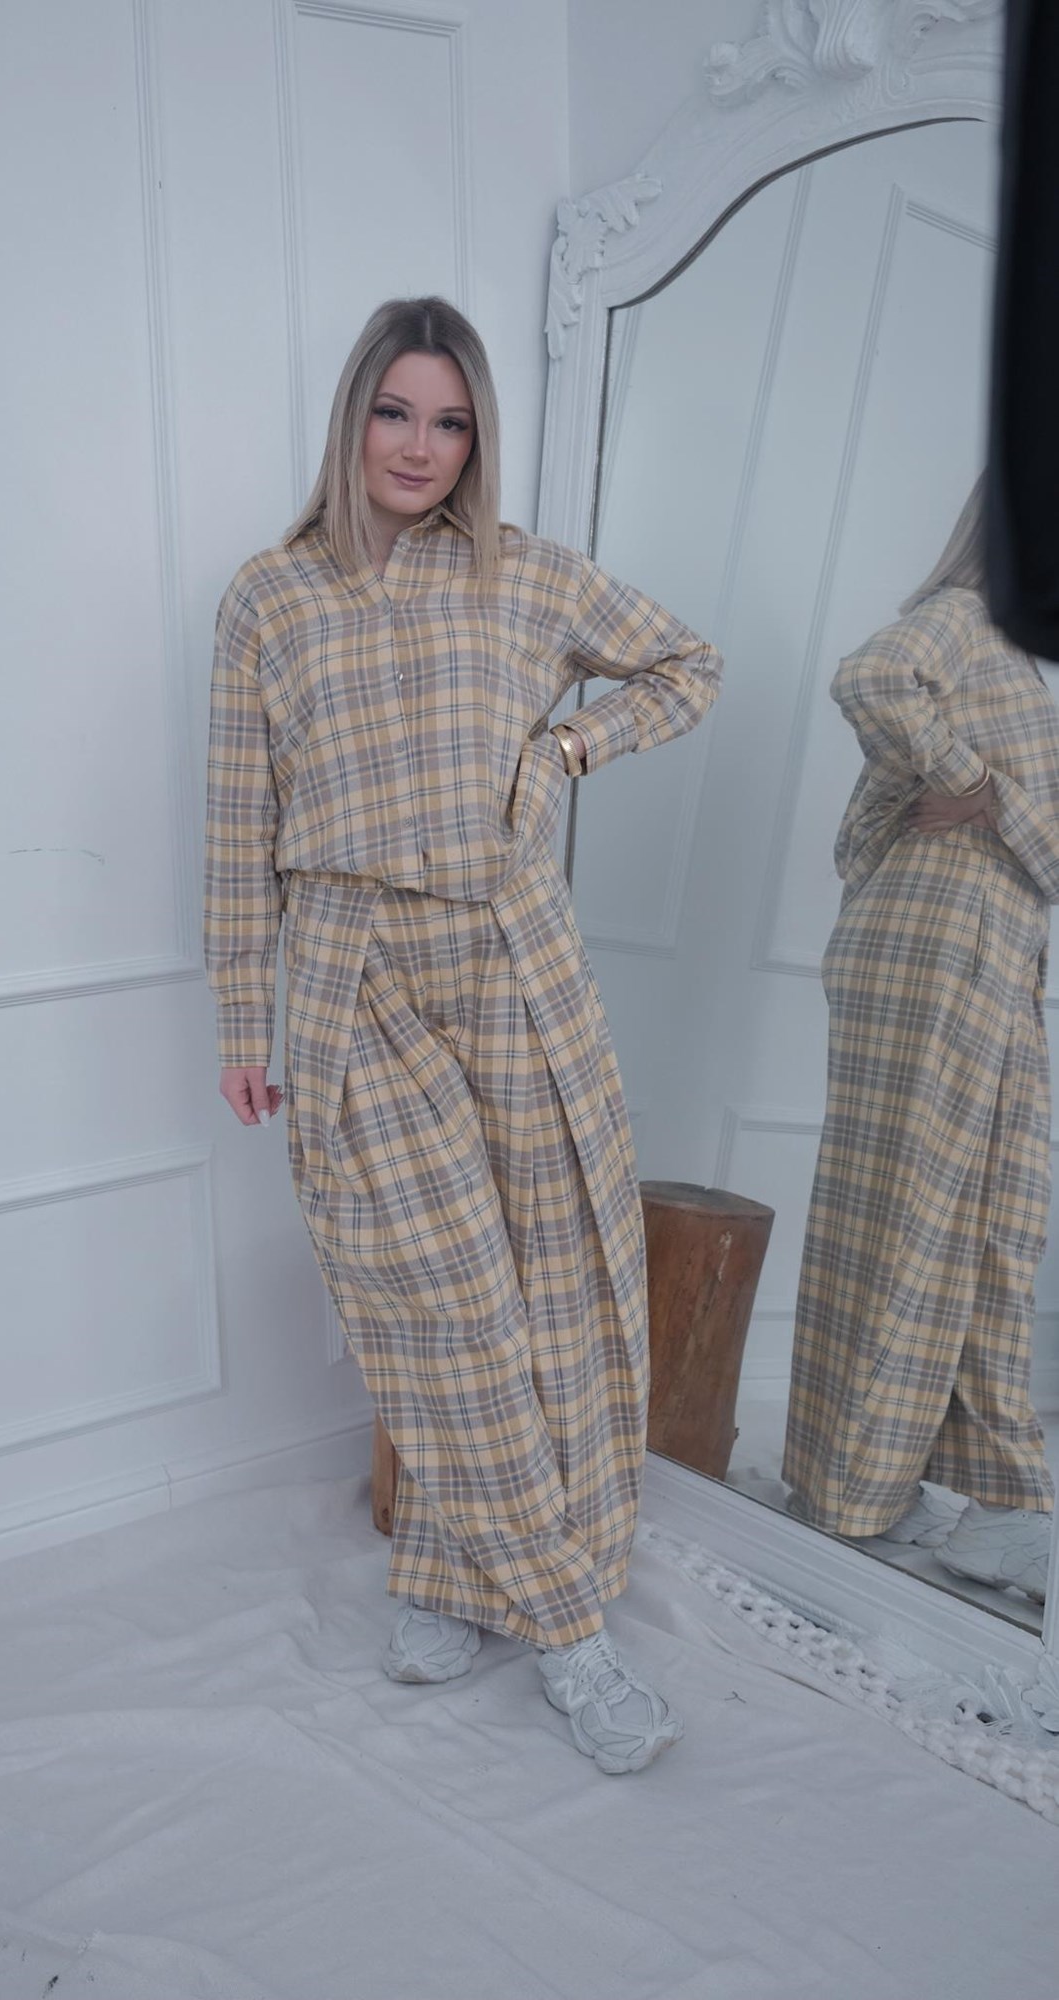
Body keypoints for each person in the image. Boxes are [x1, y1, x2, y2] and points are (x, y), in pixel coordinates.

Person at [204, 297, 721, 1773]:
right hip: (349, 968)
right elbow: (237, 821)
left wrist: (566, 744)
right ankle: (571, 1636)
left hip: (511, 952)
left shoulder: (524, 574)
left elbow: (686, 666)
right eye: (394, 411)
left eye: (450, 420)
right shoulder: (268, 598)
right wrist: (243, 1012)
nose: (420, 446)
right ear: (352, 417)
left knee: (551, 1284)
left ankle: (446, 1570)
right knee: (440, 1297)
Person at [783, 475, 1058, 1604]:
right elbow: (868, 674)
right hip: (935, 943)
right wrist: (974, 783)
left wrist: (991, 797)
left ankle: (993, 1500)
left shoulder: (1021, 655)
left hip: (987, 948)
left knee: (994, 1215)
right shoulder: (966, 615)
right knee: (906, 1215)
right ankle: (853, 1489)